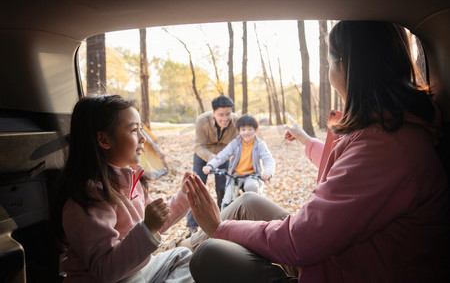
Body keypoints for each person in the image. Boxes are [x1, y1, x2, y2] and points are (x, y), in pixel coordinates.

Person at [184, 21, 450, 282]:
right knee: (248, 203)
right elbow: (347, 170)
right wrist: (305, 141)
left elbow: (300, 240)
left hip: (338, 268)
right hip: (339, 256)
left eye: (330, 62)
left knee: (210, 255)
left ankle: (182, 259)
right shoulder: (392, 129)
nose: (329, 72)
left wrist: (219, 228)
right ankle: (180, 255)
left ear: (347, 66)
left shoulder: (387, 148)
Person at [53, 95, 193, 283]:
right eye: (134, 130)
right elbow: (105, 270)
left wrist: (185, 197)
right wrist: (147, 228)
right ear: (104, 140)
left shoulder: (130, 179)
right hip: (113, 279)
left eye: (141, 129)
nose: (143, 138)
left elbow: (155, 222)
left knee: (183, 257)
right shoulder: (88, 197)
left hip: (139, 269)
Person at [186, 95, 239, 235]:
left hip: (222, 157)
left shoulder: (236, 121)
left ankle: (222, 220)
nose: (225, 118)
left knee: (222, 188)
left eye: (228, 114)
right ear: (213, 113)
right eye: (220, 115)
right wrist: (209, 157)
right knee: (197, 188)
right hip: (203, 154)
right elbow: (198, 145)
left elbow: (239, 143)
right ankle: (192, 225)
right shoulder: (202, 120)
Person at [202, 114, 275, 209]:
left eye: (250, 129)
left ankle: (255, 213)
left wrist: (268, 172)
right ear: (239, 131)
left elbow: (268, 159)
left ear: (256, 130)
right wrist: (210, 165)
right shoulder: (235, 143)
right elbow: (222, 155)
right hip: (234, 176)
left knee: (252, 188)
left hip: (251, 176)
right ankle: (224, 221)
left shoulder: (260, 144)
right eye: (243, 130)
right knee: (227, 199)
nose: (246, 132)